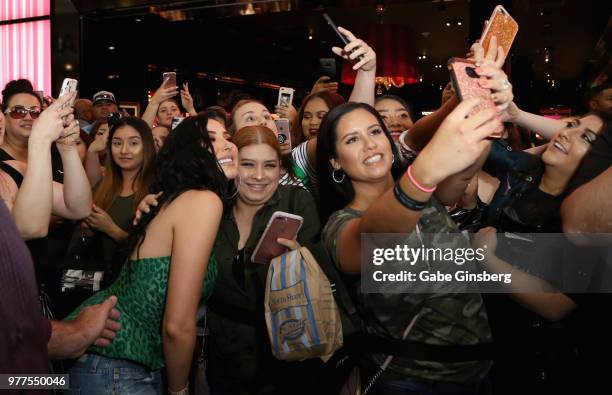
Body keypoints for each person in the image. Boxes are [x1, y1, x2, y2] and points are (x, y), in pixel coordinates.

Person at [67, 115, 227, 395]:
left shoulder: (177, 198)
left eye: (229, 137)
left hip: (119, 362)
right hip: (114, 364)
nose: (229, 146)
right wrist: (179, 391)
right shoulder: (202, 201)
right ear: (190, 153)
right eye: (213, 139)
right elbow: (177, 326)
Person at [206, 125, 321, 394]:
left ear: (280, 169)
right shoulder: (212, 206)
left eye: (269, 166)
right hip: (223, 359)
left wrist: (299, 265)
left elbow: (323, 277)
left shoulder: (297, 204)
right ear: (232, 164)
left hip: (286, 360)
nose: (259, 176)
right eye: (247, 164)